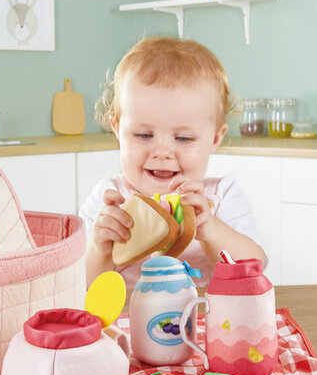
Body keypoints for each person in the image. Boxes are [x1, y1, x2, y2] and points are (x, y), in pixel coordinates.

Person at [79, 35, 267, 288]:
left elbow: (255, 266)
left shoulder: (219, 197)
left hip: (207, 321)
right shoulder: (110, 200)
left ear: (214, 138)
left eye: (184, 138)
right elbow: (78, 286)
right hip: (129, 323)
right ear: (117, 129)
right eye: (144, 135)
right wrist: (100, 249)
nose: (162, 152)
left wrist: (211, 230)